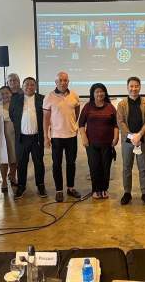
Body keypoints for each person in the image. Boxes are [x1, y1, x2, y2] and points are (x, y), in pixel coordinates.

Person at [43, 72, 82, 202]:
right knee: (57, 164)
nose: (63, 82)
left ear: (68, 81)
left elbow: (77, 111)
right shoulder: (49, 97)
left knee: (71, 163)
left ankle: (70, 188)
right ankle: (59, 190)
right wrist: (46, 137)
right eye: (60, 80)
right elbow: (46, 119)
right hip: (56, 137)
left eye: (65, 80)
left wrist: (73, 125)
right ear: (56, 82)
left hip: (71, 135)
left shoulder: (74, 95)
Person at [117, 77, 145, 205]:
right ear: (127, 87)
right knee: (127, 167)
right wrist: (131, 136)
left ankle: (144, 193)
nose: (134, 88)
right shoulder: (122, 104)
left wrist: (139, 134)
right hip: (128, 142)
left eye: (136, 86)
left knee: (143, 168)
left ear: (140, 87)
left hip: (142, 140)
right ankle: (127, 193)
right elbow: (120, 122)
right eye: (131, 86)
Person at [79, 83, 119, 199]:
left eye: (102, 91)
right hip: (91, 143)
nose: (99, 94)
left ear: (105, 93)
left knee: (106, 167)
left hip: (107, 143)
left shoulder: (110, 107)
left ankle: (104, 189)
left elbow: (116, 124)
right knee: (94, 167)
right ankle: (96, 190)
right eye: (97, 92)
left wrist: (116, 137)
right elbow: (81, 124)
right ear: (93, 94)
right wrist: (83, 137)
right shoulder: (88, 106)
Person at [10, 77, 46, 199]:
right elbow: (12, 115)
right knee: (21, 164)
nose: (29, 87)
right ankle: (21, 186)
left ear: (35, 86)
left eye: (32, 84)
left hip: (37, 138)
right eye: (27, 84)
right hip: (22, 138)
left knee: (39, 163)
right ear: (22, 86)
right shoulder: (15, 99)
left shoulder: (42, 98)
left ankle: (40, 185)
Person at [0, 86, 18, 192]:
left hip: (15, 136)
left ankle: (12, 176)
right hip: (2, 136)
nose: (5, 95)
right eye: (2, 93)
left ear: (11, 93)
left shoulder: (16, 104)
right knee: (3, 160)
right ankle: (3, 180)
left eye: (7, 93)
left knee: (14, 158)